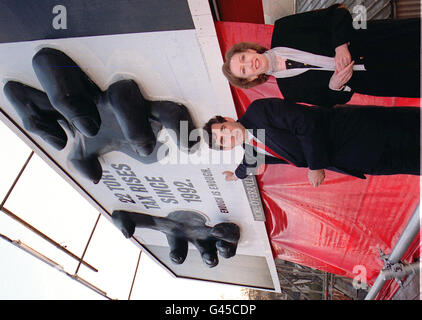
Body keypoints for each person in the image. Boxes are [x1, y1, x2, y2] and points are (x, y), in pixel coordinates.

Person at [222, 4, 420, 107]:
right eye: (244, 70)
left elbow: (336, 13)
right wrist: (335, 87)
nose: (249, 64)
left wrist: (340, 45)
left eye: (243, 58)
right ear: (252, 79)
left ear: (249, 50)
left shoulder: (285, 28)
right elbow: (333, 101)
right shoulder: (291, 93)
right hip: (382, 80)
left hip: (383, 40)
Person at [203, 98, 420, 186]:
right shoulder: (249, 149)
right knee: (413, 163)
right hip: (360, 160)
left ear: (229, 120)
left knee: (414, 131)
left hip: (361, 130)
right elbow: (247, 164)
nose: (228, 137)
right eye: (223, 142)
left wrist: (315, 166)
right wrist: (236, 175)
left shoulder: (258, 112)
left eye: (223, 130)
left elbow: (304, 121)